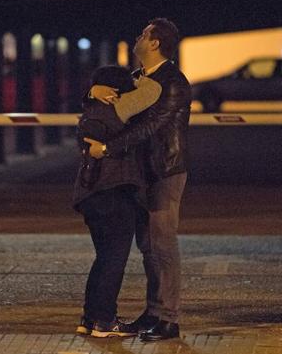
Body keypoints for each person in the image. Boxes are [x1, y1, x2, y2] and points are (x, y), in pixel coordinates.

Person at [86, 18, 192, 341]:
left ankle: (169, 319)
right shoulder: (138, 79)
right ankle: (153, 311)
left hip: (165, 170)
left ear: (156, 43)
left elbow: (150, 127)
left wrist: (108, 148)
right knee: (147, 246)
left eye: (145, 34)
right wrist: (93, 90)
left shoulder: (173, 82)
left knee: (163, 244)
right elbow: (110, 105)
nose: (138, 37)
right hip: (142, 173)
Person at [74, 65, 162, 338]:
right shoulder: (119, 107)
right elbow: (154, 90)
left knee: (103, 258)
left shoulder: (92, 109)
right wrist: (140, 77)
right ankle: (105, 321)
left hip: (90, 194)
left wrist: (90, 90)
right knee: (114, 259)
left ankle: (89, 318)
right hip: (114, 192)